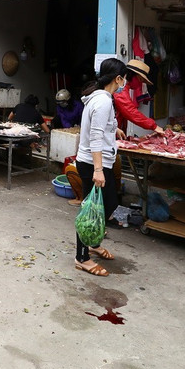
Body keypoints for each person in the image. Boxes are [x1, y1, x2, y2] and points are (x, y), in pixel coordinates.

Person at [74, 57, 127, 277]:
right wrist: (98, 170)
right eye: (124, 79)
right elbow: (95, 135)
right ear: (117, 78)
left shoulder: (99, 97)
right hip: (92, 163)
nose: (125, 83)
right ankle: (81, 257)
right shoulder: (103, 100)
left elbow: (98, 126)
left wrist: (113, 130)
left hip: (94, 161)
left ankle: (93, 243)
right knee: (91, 211)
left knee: (106, 204)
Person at [114, 59, 164, 136]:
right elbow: (130, 111)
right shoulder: (121, 89)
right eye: (141, 80)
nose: (141, 84)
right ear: (134, 76)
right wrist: (154, 126)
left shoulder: (123, 87)